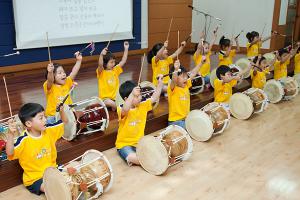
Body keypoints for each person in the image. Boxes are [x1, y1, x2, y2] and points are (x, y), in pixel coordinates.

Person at [6, 103, 68, 195]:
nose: (45, 120)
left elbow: (64, 122)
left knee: (72, 177)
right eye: (41, 118)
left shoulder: (48, 130)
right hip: (35, 179)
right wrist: (10, 135)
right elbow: (10, 153)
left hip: (53, 170)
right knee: (54, 189)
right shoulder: (23, 140)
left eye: (44, 116)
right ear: (28, 123)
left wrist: (62, 110)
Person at [115, 75, 163, 166]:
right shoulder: (121, 109)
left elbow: (154, 97)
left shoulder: (143, 105)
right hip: (124, 145)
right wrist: (132, 94)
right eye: (137, 96)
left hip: (140, 143)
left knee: (155, 148)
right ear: (126, 99)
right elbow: (125, 109)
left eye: (140, 94)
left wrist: (160, 84)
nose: (140, 97)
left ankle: (150, 159)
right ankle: (149, 161)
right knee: (131, 156)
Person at [97, 41, 129, 111]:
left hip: (116, 98)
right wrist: (101, 55)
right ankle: (119, 107)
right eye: (111, 62)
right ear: (105, 63)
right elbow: (100, 64)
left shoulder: (115, 70)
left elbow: (123, 61)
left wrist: (126, 49)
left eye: (114, 62)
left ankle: (116, 106)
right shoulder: (101, 72)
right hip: (105, 99)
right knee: (108, 102)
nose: (113, 64)